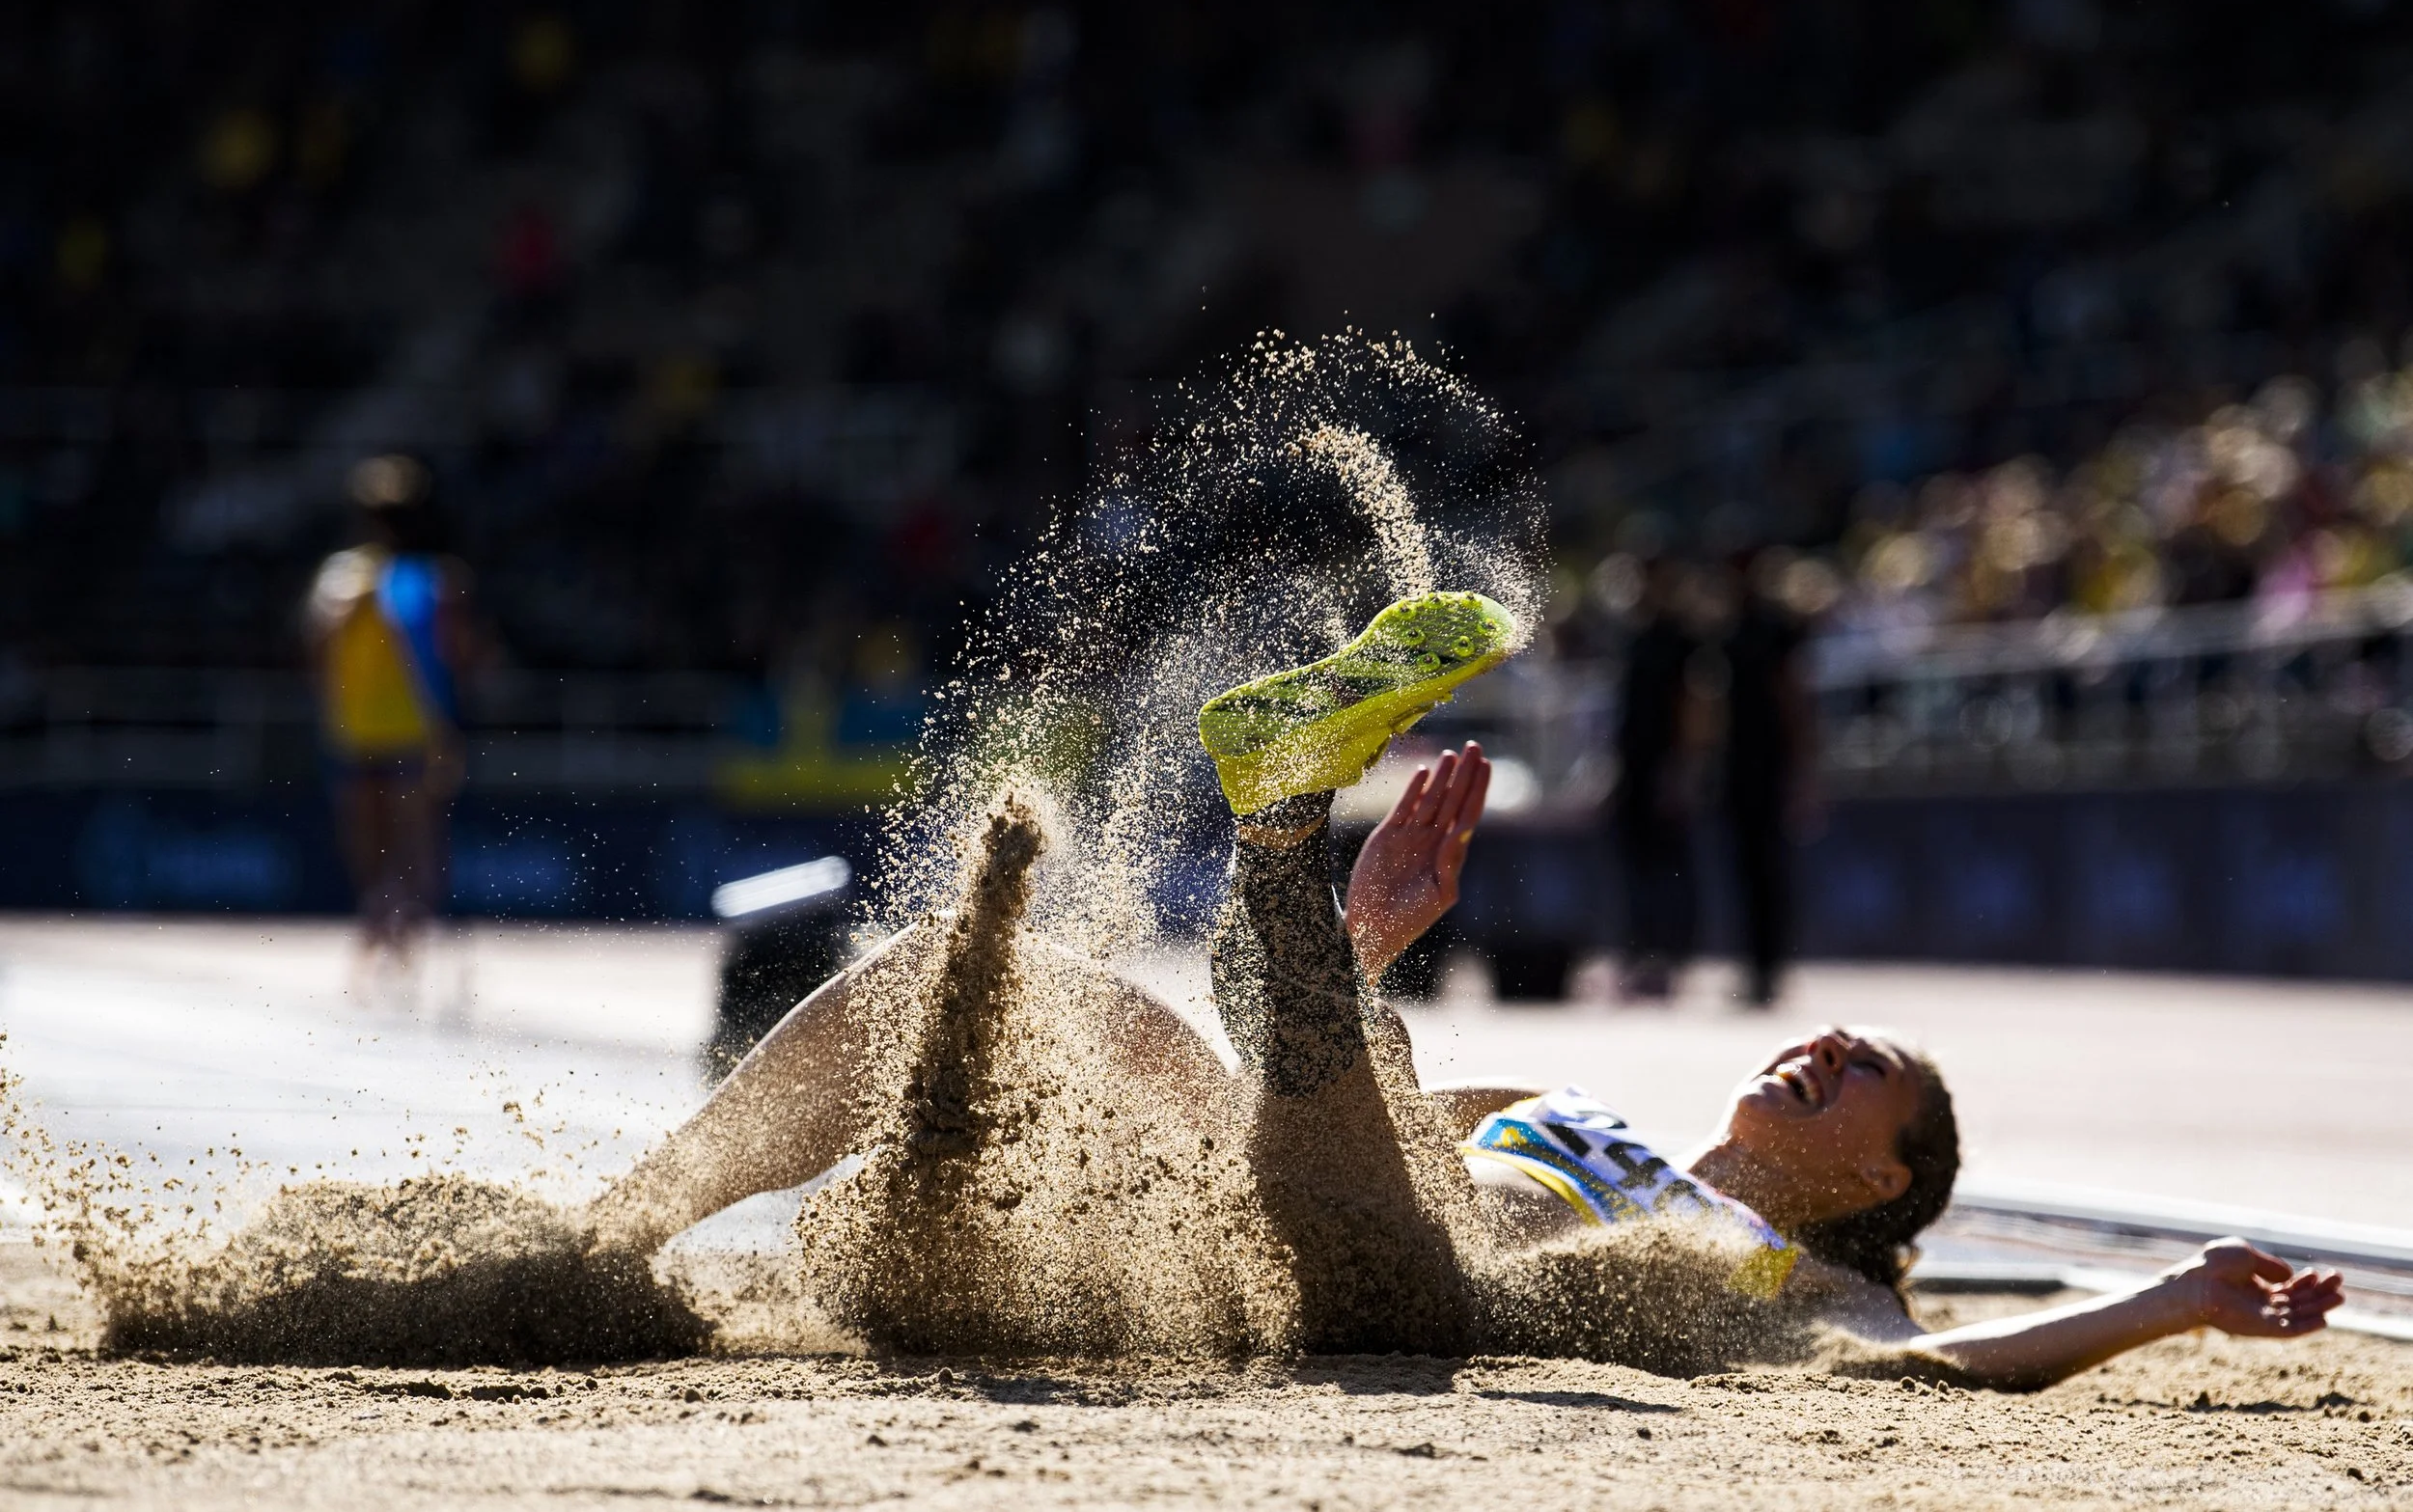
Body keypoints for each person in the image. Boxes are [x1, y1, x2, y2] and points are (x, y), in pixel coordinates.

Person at [590, 591, 2344, 1388]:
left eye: (1864, 1062)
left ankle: (1279, 820)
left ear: (1887, 1176)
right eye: (1829, 1032)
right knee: (958, 977)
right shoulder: (1567, 1114)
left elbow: (1956, 1362)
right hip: (1285, 1203)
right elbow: (1301, 1114)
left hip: (1402, 1285)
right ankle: (607, 1237)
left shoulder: (1802, 1280)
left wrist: (2170, 1301)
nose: (1820, 1043)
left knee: (1364, 1144)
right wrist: (1368, 951)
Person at [303, 455, 478, 1003]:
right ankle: (384, 929)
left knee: (409, 844)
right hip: (363, 732)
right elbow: (318, 644)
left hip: (405, 732)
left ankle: (407, 940)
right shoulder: (347, 577)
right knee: (377, 845)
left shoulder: (432, 580)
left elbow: (459, 656)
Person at [1719, 549, 1819, 1007]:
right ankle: (1754, 966)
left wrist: (1802, 770)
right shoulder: (1725, 633)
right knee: (1744, 872)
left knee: (1769, 872)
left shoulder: (1775, 630)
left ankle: (1770, 968)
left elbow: (1793, 699)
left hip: (1770, 766)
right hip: (1736, 766)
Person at [1612, 558, 1712, 1001]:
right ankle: (1640, 955)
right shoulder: (1636, 638)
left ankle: (1670, 958)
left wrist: (1682, 768)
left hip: (1664, 768)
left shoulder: (1681, 642)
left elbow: (1692, 707)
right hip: (1634, 768)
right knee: (1636, 866)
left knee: (1669, 869)